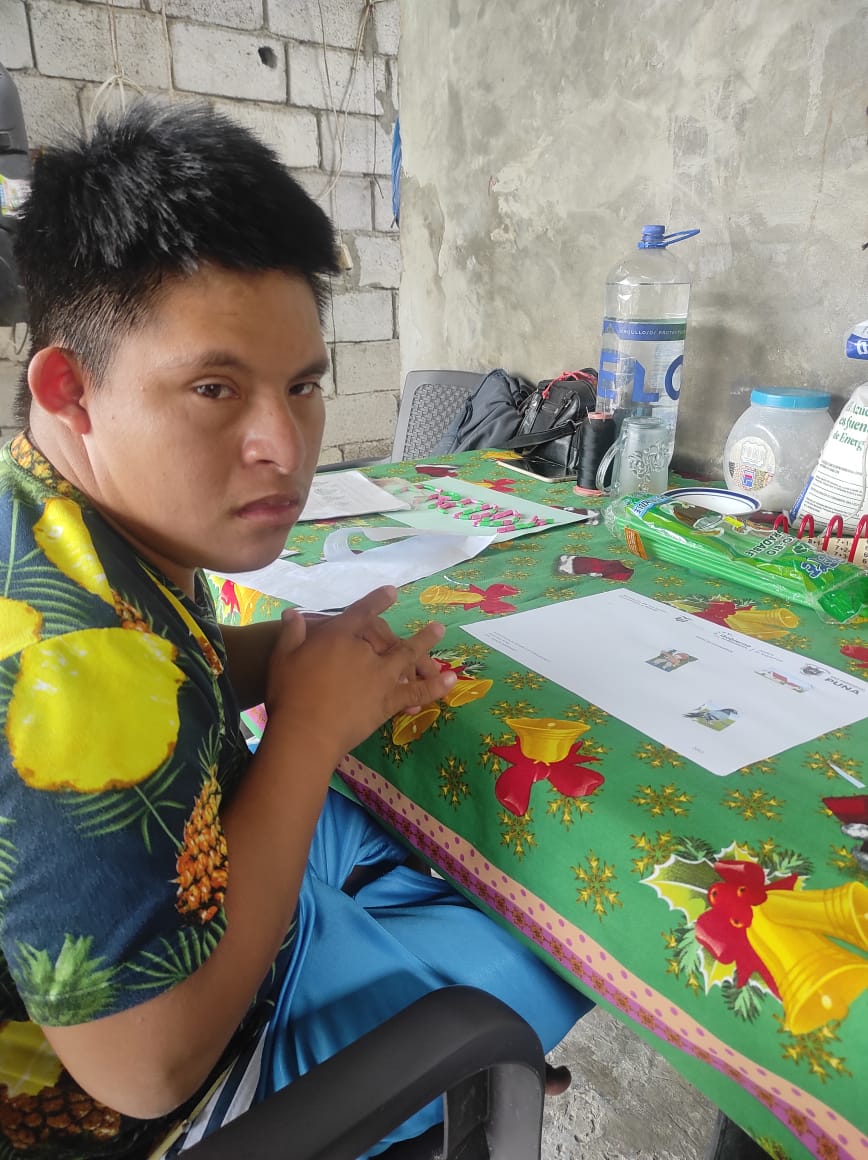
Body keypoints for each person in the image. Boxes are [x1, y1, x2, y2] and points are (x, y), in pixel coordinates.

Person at [0, 102, 592, 1158]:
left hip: (179, 885)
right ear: (69, 388)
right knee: (559, 935)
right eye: (214, 388)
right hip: (164, 1097)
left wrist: (276, 656)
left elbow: (162, 672)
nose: (283, 444)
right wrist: (309, 732)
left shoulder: (51, 517)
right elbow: (146, 1069)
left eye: (304, 384)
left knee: (461, 840)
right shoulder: (78, 677)